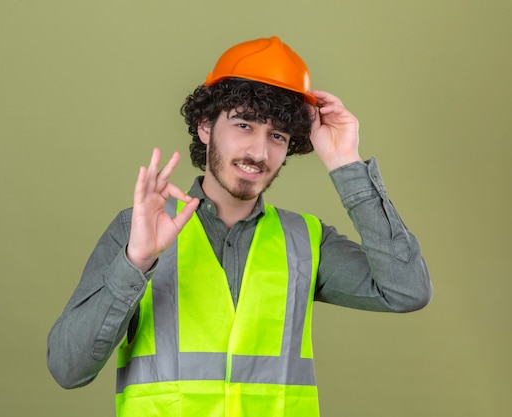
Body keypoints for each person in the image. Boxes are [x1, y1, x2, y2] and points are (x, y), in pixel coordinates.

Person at [47, 36, 432, 417]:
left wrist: (346, 163)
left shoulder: (307, 241)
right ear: (205, 127)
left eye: (277, 135)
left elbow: (407, 290)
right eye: (244, 124)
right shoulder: (138, 230)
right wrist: (136, 262)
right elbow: (68, 369)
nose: (259, 152)